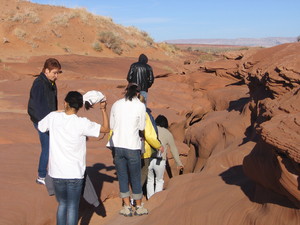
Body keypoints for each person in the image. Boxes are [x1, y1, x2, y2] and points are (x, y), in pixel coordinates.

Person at [38, 91, 109, 225]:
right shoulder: (82, 123)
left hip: (57, 173)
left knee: (62, 205)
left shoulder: (53, 117)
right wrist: (103, 108)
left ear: (65, 103)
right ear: (80, 106)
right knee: (72, 206)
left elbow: (41, 127)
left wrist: (61, 110)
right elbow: (105, 129)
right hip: (75, 174)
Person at [106, 83, 148, 217]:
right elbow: (141, 126)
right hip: (132, 145)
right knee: (135, 176)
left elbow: (112, 125)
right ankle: (139, 206)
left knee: (122, 176)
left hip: (118, 146)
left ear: (126, 91)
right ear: (138, 93)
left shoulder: (116, 104)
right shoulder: (140, 106)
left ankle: (127, 206)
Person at [28, 58, 62, 185]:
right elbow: (34, 106)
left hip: (50, 120)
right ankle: (41, 176)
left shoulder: (50, 82)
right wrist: (44, 122)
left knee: (53, 147)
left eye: (58, 73)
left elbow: (51, 103)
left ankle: (52, 173)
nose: (56, 76)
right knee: (47, 147)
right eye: (54, 72)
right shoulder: (39, 83)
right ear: (46, 71)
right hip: (42, 122)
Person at [147, 115, 184, 199]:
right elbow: (173, 149)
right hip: (160, 161)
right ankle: (156, 200)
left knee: (149, 181)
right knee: (159, 181)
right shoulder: (167, 133)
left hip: (148, 159)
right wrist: (179, 163)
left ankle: (150, 199)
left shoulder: (151, 129)